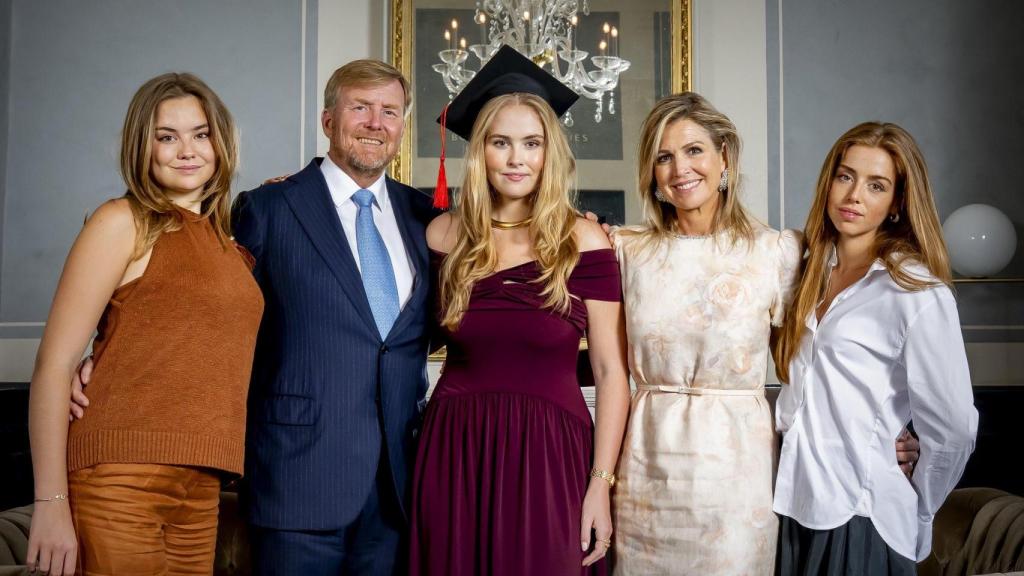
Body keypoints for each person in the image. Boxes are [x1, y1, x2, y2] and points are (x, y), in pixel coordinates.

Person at [609, 94, 920, 575]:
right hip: (646, 466)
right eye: (664, 156)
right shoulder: (626, 250)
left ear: (724, 158)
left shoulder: (775, 252)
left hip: (737, 473)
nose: (680, 169)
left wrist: (880, 434)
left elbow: (813, 364)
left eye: (694, 150)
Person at [26, 72, 263, 575]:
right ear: (143, 146)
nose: (187, 150)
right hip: (119, 476)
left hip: (202, 483)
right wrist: (49, 502)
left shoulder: (228, 245)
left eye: (201, 134)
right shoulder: (122, 221)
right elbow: (54, 364)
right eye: (167, 136)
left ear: (220, 142)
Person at [410, 46, 631, 575]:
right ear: (479, 151)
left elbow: (611, 373)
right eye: (500, 142)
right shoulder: (441, 236)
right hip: (455, 450)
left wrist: (600, 484)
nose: (516, 159)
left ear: (549, 152)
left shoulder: (585, 240)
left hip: (552, 454)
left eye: (532, 143)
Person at [771, 122, 978, 574]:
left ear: (898, 202)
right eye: (845, 176)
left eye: (876, 185)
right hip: (792, 503)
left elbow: (955, 427)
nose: (854, 196)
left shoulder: (915, 291)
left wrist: (918, 498)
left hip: (860, 513)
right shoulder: (805, 274)